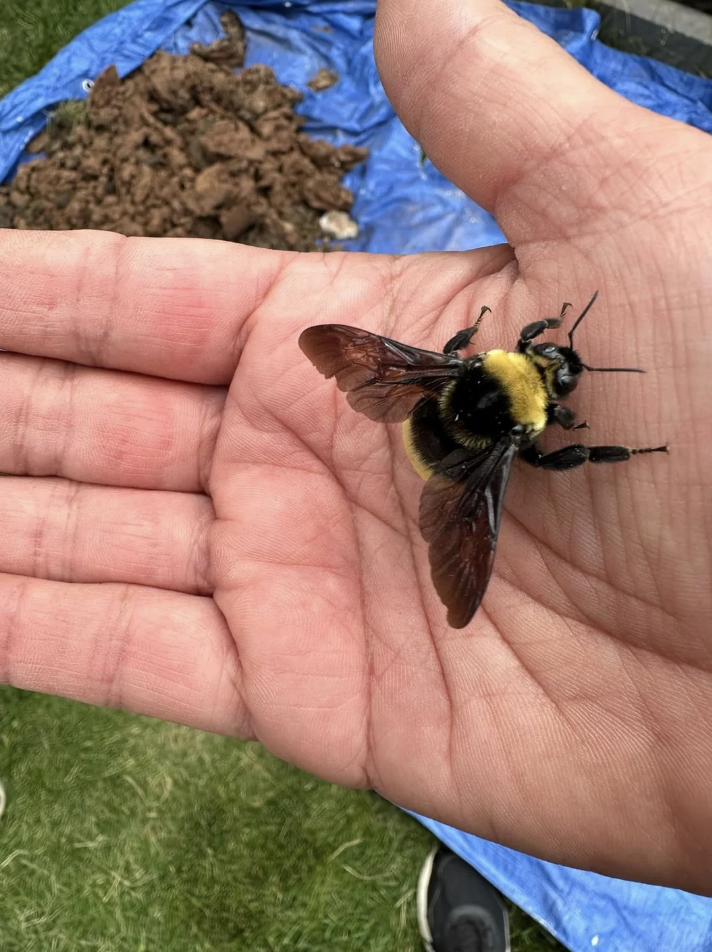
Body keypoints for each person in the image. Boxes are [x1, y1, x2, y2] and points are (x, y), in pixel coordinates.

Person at [0, 0, 710, 908]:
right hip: (450, 441)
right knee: (496, 457)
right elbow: (540, 440)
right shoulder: (525, 423)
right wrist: (612, 443)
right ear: (537, 390)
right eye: (548, 366)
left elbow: (436, 363)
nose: (551, 359)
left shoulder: (475, 364)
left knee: (447, 399)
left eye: (548, 361)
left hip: (436, 413)